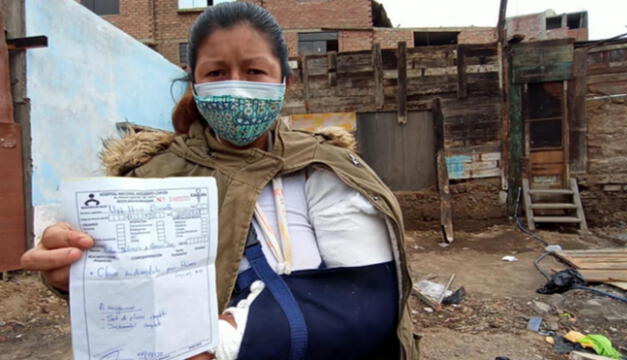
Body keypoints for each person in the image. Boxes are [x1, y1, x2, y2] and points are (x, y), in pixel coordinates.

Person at [20, 2, 419, 359]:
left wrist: (221, 341)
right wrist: (75, 274)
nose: (235, 85)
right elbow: (126, 298)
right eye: (216, 72)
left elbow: (364, 305)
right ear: (195, 83)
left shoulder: (323, 169)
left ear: (285, 82)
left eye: (254, 71)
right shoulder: (147, 179)